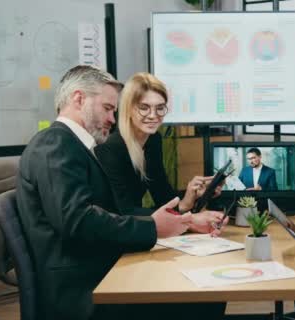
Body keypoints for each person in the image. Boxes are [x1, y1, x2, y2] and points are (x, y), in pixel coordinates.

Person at [16, 66, 225, 320]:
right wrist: (154, 228)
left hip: (98, 267)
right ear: (79, 99)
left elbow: (102, 213)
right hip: (81, 287)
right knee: (203, 300)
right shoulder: (55, 144)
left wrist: (173, 218)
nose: (113, 119)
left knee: (203, 293)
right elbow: (77, 221)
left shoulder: (73, 146)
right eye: (107, 108)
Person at [94, 72, 227, 238]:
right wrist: (190, 220)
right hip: (114, 237)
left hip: (137, 232)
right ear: (128, 109)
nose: (153, 115)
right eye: (144, 108)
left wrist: (187, 199)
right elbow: (124, 210)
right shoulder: (111, 147)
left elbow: (162, 197)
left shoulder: (153, 139)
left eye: (159, 108)